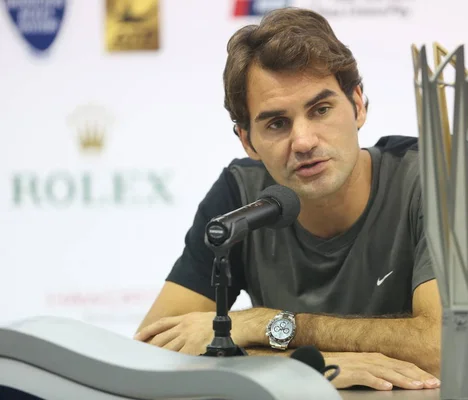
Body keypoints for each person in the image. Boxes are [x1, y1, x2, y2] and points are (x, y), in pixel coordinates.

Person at [134, 7, 442, 392]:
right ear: (248, 140)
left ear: (358, 105)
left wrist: (262, 323)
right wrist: (309, 365)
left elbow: (444, 346)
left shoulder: (432, 177)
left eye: (321, 109)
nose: (304, 142)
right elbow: (149, 353)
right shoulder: (239, 199)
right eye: (277, 123)